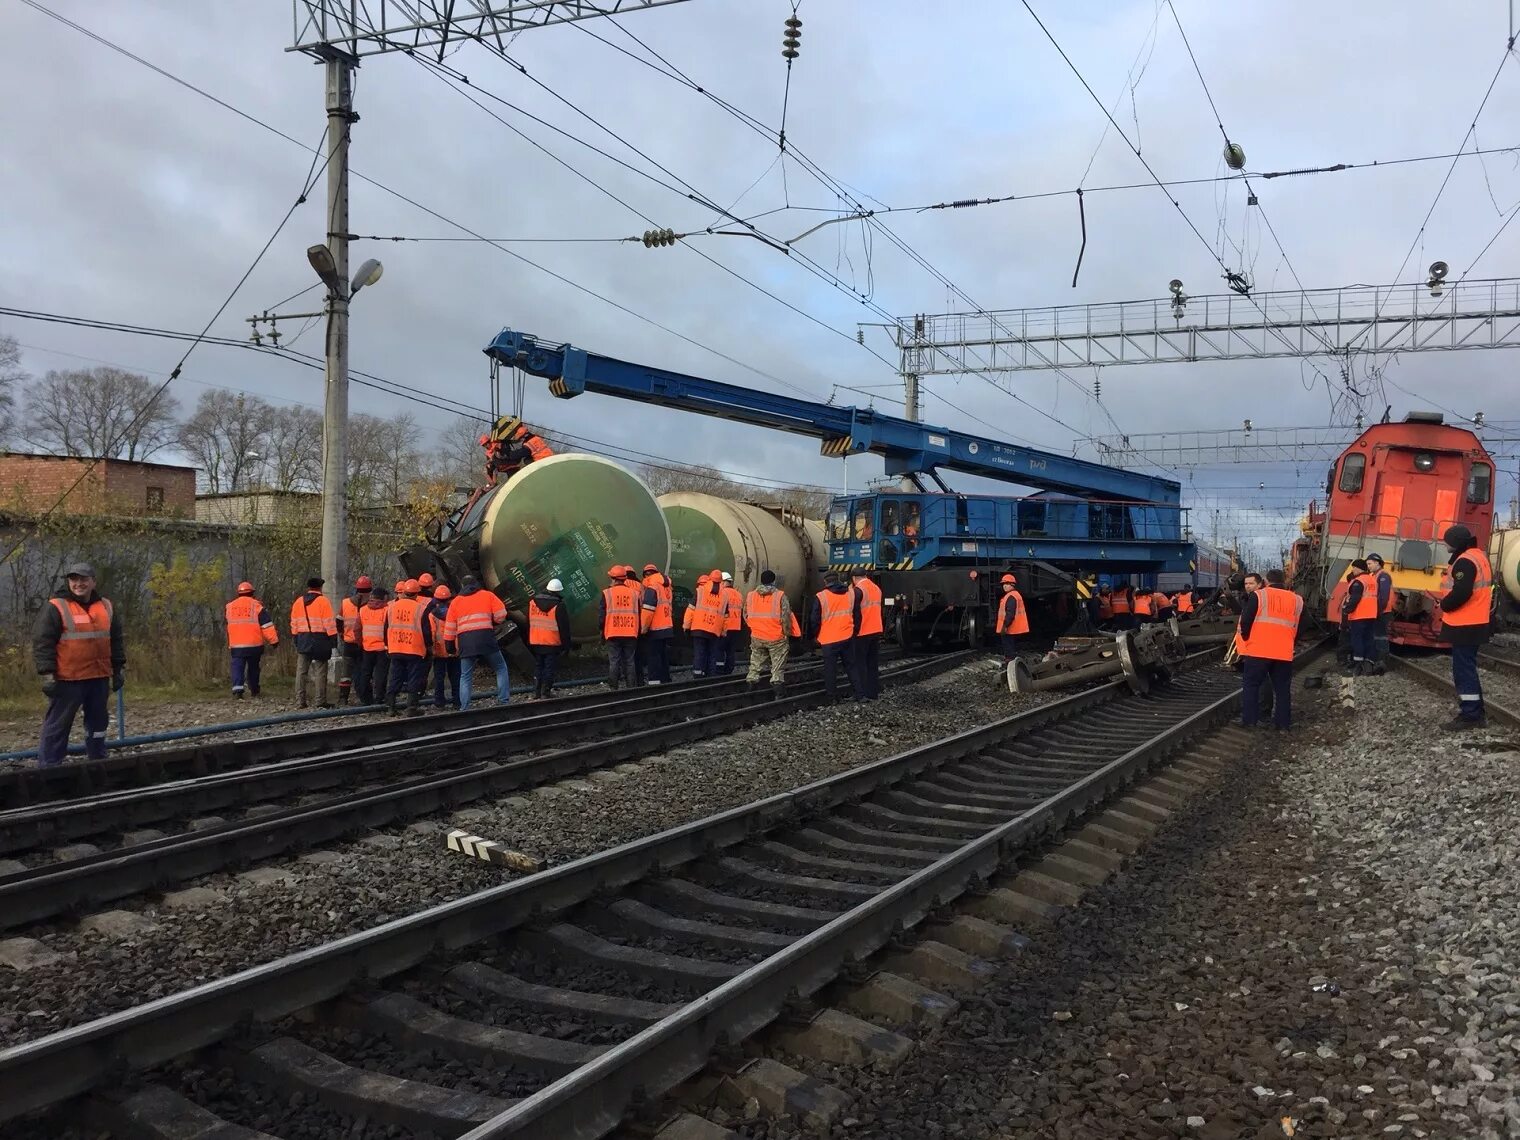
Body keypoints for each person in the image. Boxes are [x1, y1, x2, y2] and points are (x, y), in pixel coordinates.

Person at [33, 563, 124, 768]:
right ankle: (49, 766)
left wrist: (118, 669)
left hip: (98, 676)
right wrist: (47, 674)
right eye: (74, 579)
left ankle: (98, 759)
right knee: (58, 725)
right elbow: (43, 642)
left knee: (98, 723)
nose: (78, 584)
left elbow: (116, 640)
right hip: (68, 679)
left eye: (83, 579)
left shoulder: (106, 606)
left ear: (93, 582)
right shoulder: (56, 606)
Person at [1438, 524, 1494, 729]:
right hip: (1475, 620)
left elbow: (1462, 592)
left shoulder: (1465, 561)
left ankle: (1471, 714)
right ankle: (1475, 710)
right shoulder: (1479, 556)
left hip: (1465, 622)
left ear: (1456, 542)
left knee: (1463, 669)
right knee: (1467, 666)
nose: (1446, 546)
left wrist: (1444, 604)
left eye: (1448, 542)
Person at [1237, 568, 1302, 730]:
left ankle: (1249, 721)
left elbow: (1246, 621)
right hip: (1283, 652)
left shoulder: (1259, 596)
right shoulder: (1297, 600)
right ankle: (1283, 725)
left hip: (1259, 649)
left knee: (1251, 685)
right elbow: (1304, 624)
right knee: (1282, 689)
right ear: (1284, 580)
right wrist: (1291, 640)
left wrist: (1246, 638)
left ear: (1266, 581)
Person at [445, 575, 512, 708]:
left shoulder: (456, 602)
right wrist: (492, 621)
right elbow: (501, 615)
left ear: (462, 586)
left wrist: (450, 648)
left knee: (465, 675)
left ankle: (464, 707)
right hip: (486, 638)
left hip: (466, 642)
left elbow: (450, 628)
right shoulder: (487, 595)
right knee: (500, 668)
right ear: (476, 583)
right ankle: (503, 701)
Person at [810, 571, 861, 703]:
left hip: (828, 639)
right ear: (838, 580)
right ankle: (859, 694)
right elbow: (857, 614)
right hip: (847, 636)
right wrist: (855, 631)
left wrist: (816, 635)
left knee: (830, 669)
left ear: (825, 582)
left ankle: (832, 697)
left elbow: (814, 620)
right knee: (851, 666)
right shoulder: (850, 593)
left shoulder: (821, 596)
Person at [744, 569, 800, 689]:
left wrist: (754, 627)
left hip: (757, 635)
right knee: (778, 664)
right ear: (774, 581)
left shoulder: (751, 595)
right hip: (776, 637)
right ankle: (777, 687)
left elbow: (745, 614)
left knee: (755, 661)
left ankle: (751, 682)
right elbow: (786, 616)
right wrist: (786, 633)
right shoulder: (780, 595)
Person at [385, 578, 431, 716]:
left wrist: (387, 645)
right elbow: (426, 631)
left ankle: (391, 707)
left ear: (403, 592)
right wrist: (429, 647)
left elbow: (385, 628)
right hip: (414, 649)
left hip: (395, 648)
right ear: (417, 593)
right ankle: (411, 707)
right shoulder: (421, 609)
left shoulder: (391, 607)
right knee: (414, 678)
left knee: (394, 677)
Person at [290, 576, 337, 709]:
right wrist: (333, 639)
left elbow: (294, 622)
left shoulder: (298, 602)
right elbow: (329, 622)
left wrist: (296, 638)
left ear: (309, 588)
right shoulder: (323, 601)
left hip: (303, 638)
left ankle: (300, 701)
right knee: (321, 671)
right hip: (320, 639)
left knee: (301, 671)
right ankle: (320, 700)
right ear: (320, 588)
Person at [225, 581, 277, 699]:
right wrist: (274, 641)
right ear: (252, 593)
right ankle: (254, 690)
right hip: (254, 644)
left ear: (238, 593)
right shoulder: (257, 606)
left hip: (236, 645)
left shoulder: (229, 607)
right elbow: (266, 625)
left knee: (237, 666)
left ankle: (238, 690)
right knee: (253, 668)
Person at [527, 578, 574, 699]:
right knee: (549, 667)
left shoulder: (532, 602)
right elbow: (564, 627)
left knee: (538, 666)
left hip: (536, 641)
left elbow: (528, 621)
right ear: (558, 591)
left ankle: (536, 692)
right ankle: (546, 692)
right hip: (551, 642)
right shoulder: (559, 606)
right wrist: (566, 645)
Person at [600, 565, 641, 690]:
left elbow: (602, 615)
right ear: (625, 578)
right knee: (629, 662)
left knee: (614, 661)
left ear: (613, 578)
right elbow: (638, 613)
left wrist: (601, 632)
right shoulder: (634, 594)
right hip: (630, 633)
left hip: (612, 633)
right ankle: (631, 687)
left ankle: (614, 688)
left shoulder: (607, 593)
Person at [338, 575, 373, 705]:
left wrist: (342, 634)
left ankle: (343, 698)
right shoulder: (371, 604)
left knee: (346, 673)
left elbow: (339, 621)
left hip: (348, 643)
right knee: (364, 671)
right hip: (364, 644)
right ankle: (364, 697)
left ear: (356, 588)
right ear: (370, 589)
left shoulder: (345, 603)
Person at [1340, 558, 1377, 675]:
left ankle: (1358, 664)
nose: (1353, 570)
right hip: (1371, 615)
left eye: (1354, 568)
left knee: (1357, 639)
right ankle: (1368, 662)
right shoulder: (1372, 580)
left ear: (1358, 568)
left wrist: (1346, 610)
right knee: (1368, 638)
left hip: (1359, 615)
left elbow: (1355, 598)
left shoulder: (1358, 581)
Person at [354, 586, 390, 705]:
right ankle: (380, 697)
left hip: (367, 647)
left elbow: (357, 629)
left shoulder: (363, 609)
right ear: (384, 598)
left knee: (365, 673)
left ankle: (365, 699)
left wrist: (360, 643)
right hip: (382, 648)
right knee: (380, 674)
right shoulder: (387, 611)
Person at [851, 570, 884, 699]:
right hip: (875, 630)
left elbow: (856, 613)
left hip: (863, 631)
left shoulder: (858, 590)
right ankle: (872, 693)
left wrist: (855, 630)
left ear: (854, 578)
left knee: (860, 663)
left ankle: (861, 693)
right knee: (872, 663)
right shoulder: (876, 588)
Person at [427, 584, 461, 709]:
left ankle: (439, 702)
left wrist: (431, 649)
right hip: (454, 649)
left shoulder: (432, 615)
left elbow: (431, 633)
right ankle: (457, 701)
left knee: (439, 678)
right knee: (456, 677)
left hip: (439, 651)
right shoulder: (455, 612)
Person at [688, 570, 726, 678]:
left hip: (698, 628)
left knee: (699, 652)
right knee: (712, 653)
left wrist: (686, 625)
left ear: (710, 578)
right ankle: (710, 676)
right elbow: (726, 616)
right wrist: (723, 631)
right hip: (714, 629)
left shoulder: (700, 591)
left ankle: (698, 675)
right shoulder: (724, 595)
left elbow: (690, 610)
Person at [640, 562, 674, 685]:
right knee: (663, 655)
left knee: (653, 656)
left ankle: (654, 682)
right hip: (667, 626)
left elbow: (648, 609)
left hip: (655, 627)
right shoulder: (666, 586)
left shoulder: (652, 586)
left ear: (646, 575)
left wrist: (643, 628)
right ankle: (665, 680)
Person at [1365, 553, 1394, 667]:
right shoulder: (1375, 575)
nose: (1368, 566)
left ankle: (1381, 662)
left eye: (1370, 563)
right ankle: (1377, 661)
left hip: (1382, 612)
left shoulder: (1383, 576)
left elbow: (1383, 597)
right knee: (1377, 636)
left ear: (1377, 563)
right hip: (1378, 611)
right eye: (1367, 564)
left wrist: (1377, 611)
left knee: (1380, 636)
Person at [994, 572, 1029, 663]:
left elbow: (1010, 613)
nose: (1004, 586)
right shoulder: (1013, 595)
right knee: (1010, 643)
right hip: (1012, 627)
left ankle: (1010, 659)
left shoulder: (1011, 597)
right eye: (1003, 584)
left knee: (1008, 643)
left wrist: (1005, 625)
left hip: (1010, 627)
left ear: (1012, 585)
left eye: (1006, 584)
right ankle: (1010, 658)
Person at [717, 571, 744, 676]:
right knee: (730, 651)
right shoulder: (738, 594)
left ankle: (719, 669)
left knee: (720, 649)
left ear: (723, 582)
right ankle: (729, 670)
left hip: (725, 627)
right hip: (736, 627)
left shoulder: (723, 593)